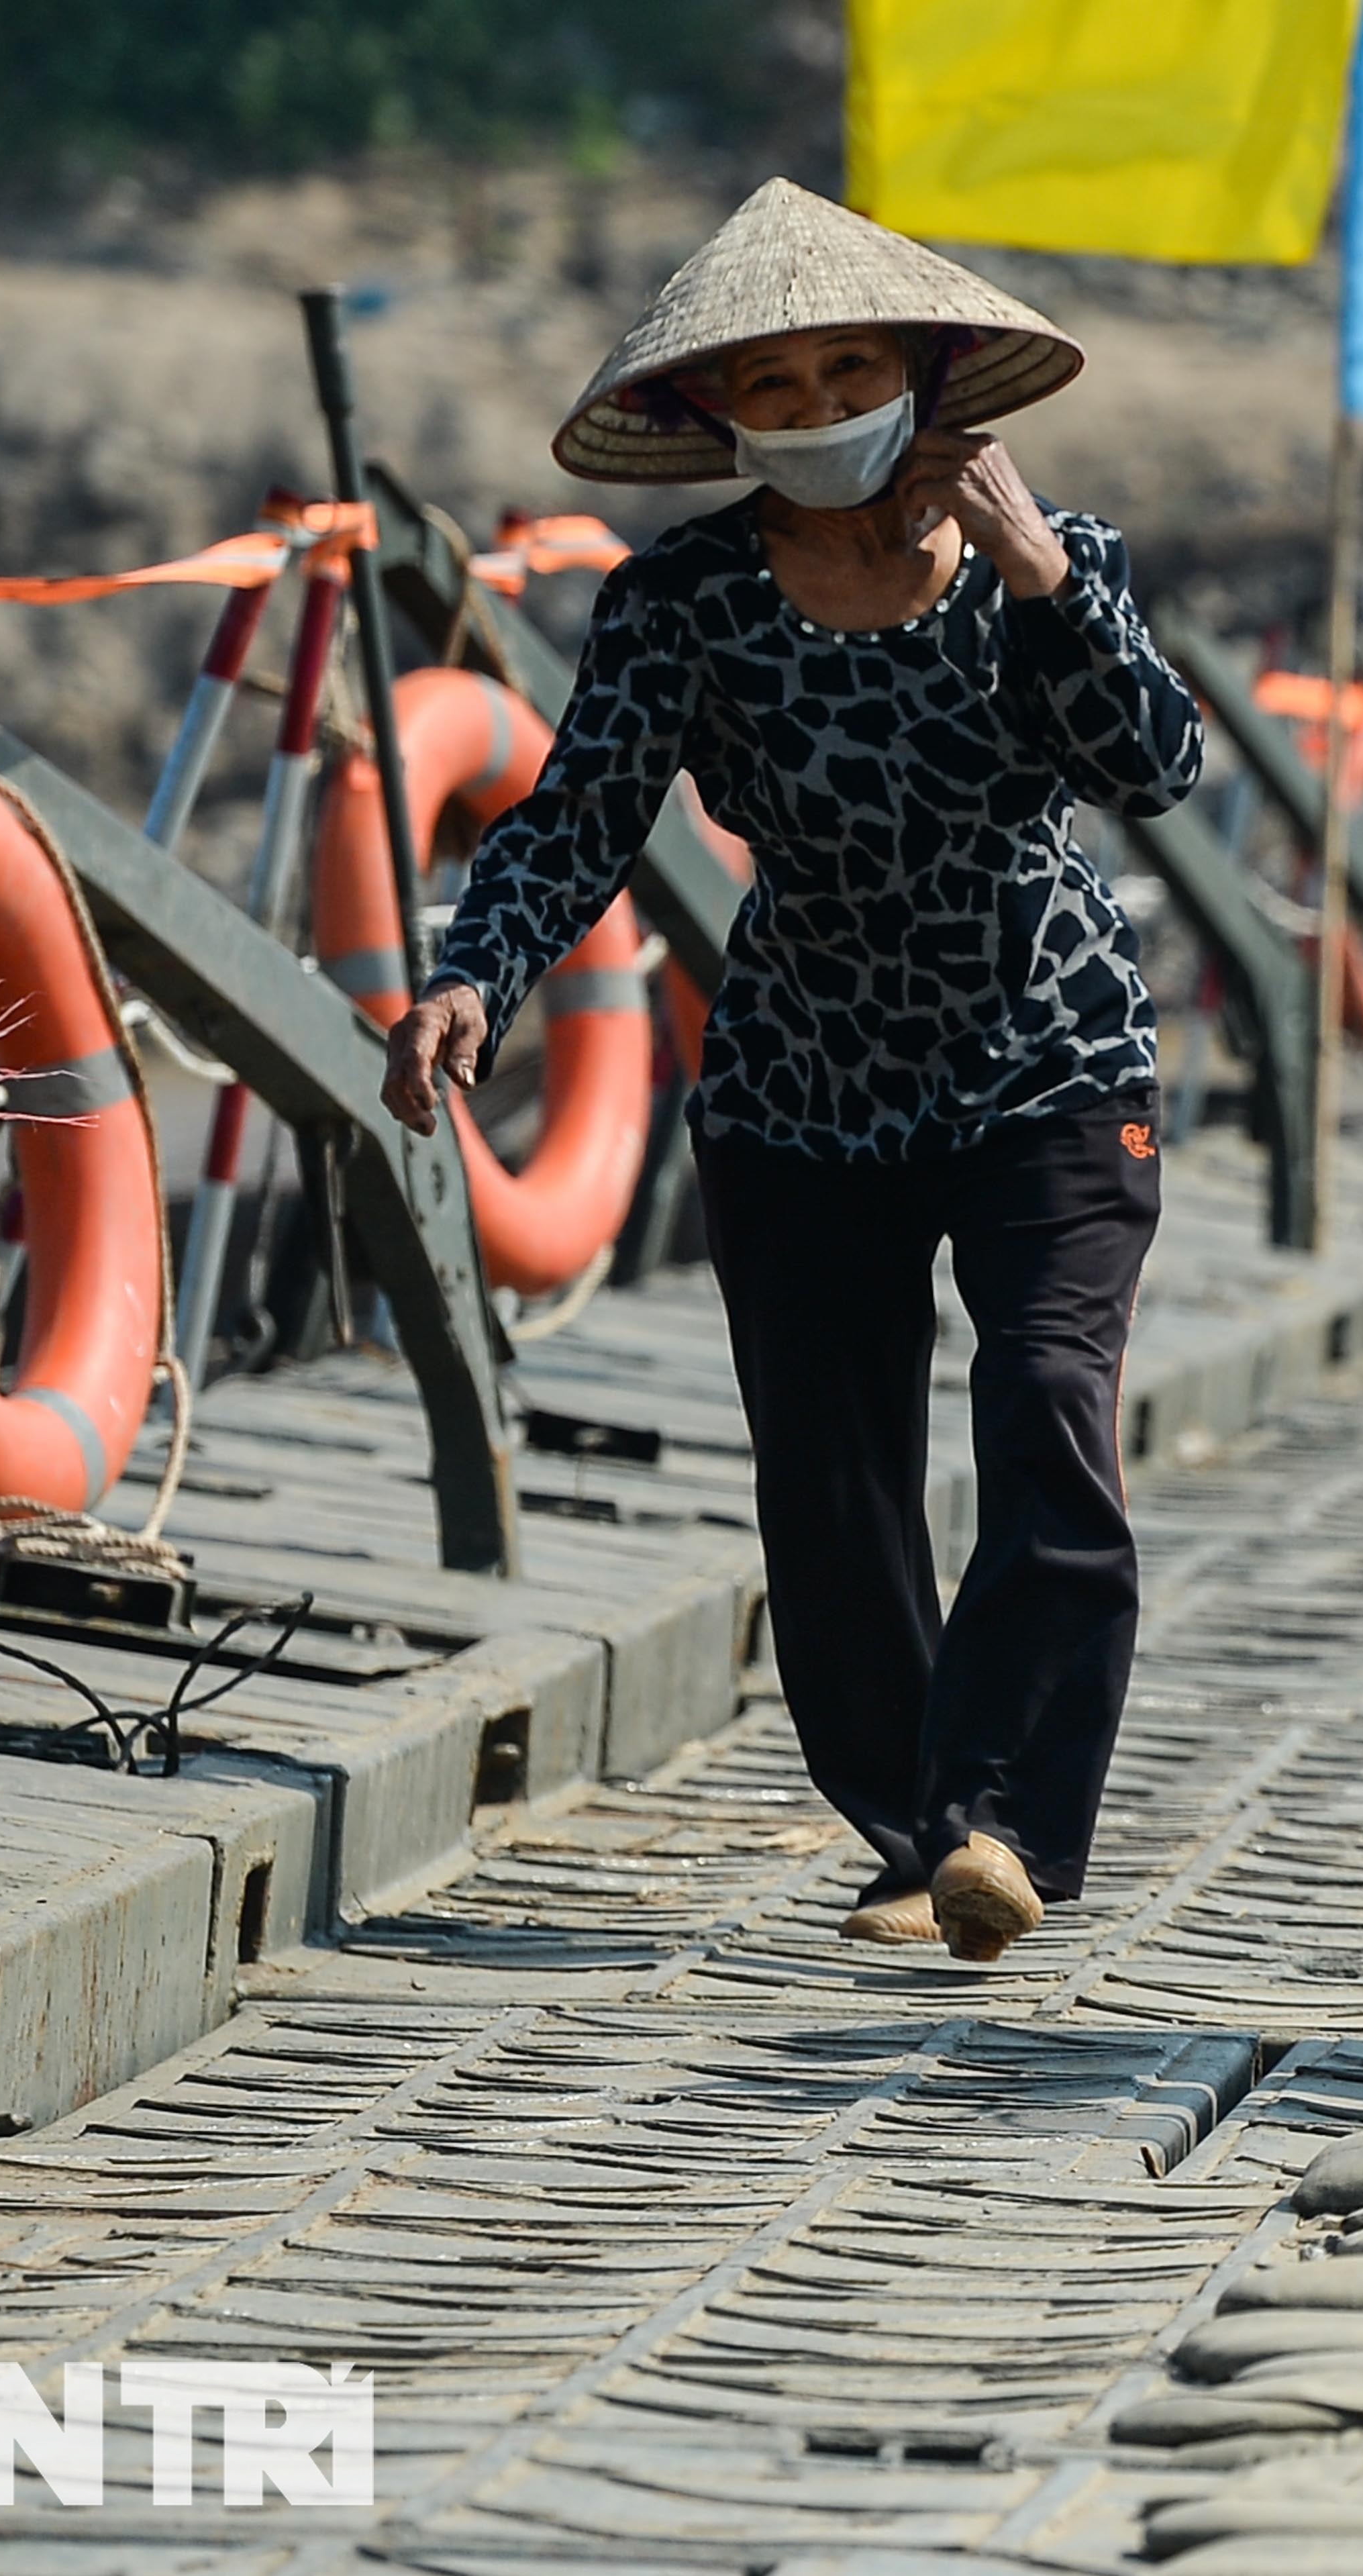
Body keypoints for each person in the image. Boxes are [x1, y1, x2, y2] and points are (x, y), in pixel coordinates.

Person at [382, 179, 1207, 1964]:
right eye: (775, 383)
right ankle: (920, 1829)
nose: (818, 405)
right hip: (803, 1082)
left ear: (925, 381)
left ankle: (1002, 1821)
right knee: (831, 1483)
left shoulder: (1052, 570)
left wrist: (1042, 570)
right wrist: (474, 975)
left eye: (851, 368)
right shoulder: (679, 605)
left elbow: (1153, 767)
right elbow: (578, 816)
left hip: (1046, 1057)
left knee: (1048, 1406)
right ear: (715, 419)